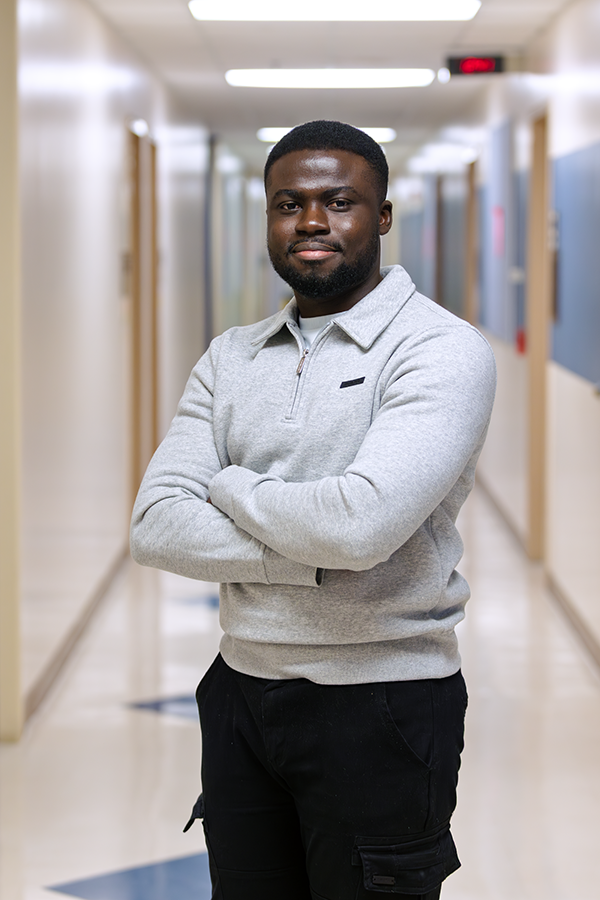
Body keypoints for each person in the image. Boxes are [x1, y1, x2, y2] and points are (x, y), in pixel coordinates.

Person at [130, 120, 496, 900]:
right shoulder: (231, 355)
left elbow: (361, 525)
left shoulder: (439, 349)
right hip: (241, 689)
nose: (312, 222)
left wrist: (228, 486)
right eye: (289, 203)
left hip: (382, 705)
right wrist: (313, 553)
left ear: (383, 216)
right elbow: (156, 521)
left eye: (340, 201)